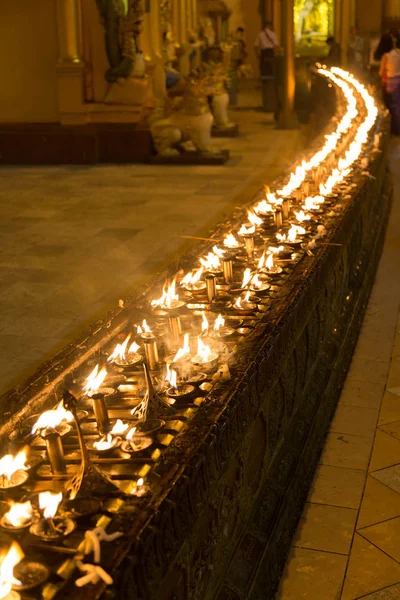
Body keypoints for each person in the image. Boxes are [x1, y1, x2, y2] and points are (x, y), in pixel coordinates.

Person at [380, 36, 400, 133]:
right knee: (397, 105)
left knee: (390, 105)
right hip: (399, 80)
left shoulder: (386, 56)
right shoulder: (399, 53)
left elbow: (381, 72)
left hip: (390, 82)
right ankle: (396, 128)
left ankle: (394, 129)